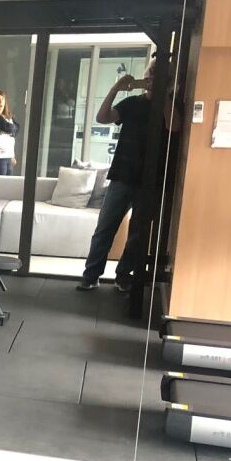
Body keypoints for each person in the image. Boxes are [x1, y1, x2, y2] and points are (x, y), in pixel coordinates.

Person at [77, 60, 176, 292]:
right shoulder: (132, 102)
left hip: (151, 180)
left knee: (138, 233)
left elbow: (175, 126)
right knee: (105, 228)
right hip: (122, 174)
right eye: (150, 74)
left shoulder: (170, 105)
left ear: (168, 81)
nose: (151, 79)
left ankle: (123, 275)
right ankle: (91, 275)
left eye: (158, 76)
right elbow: (102, 118)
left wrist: (163, 96)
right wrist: (115, 89)